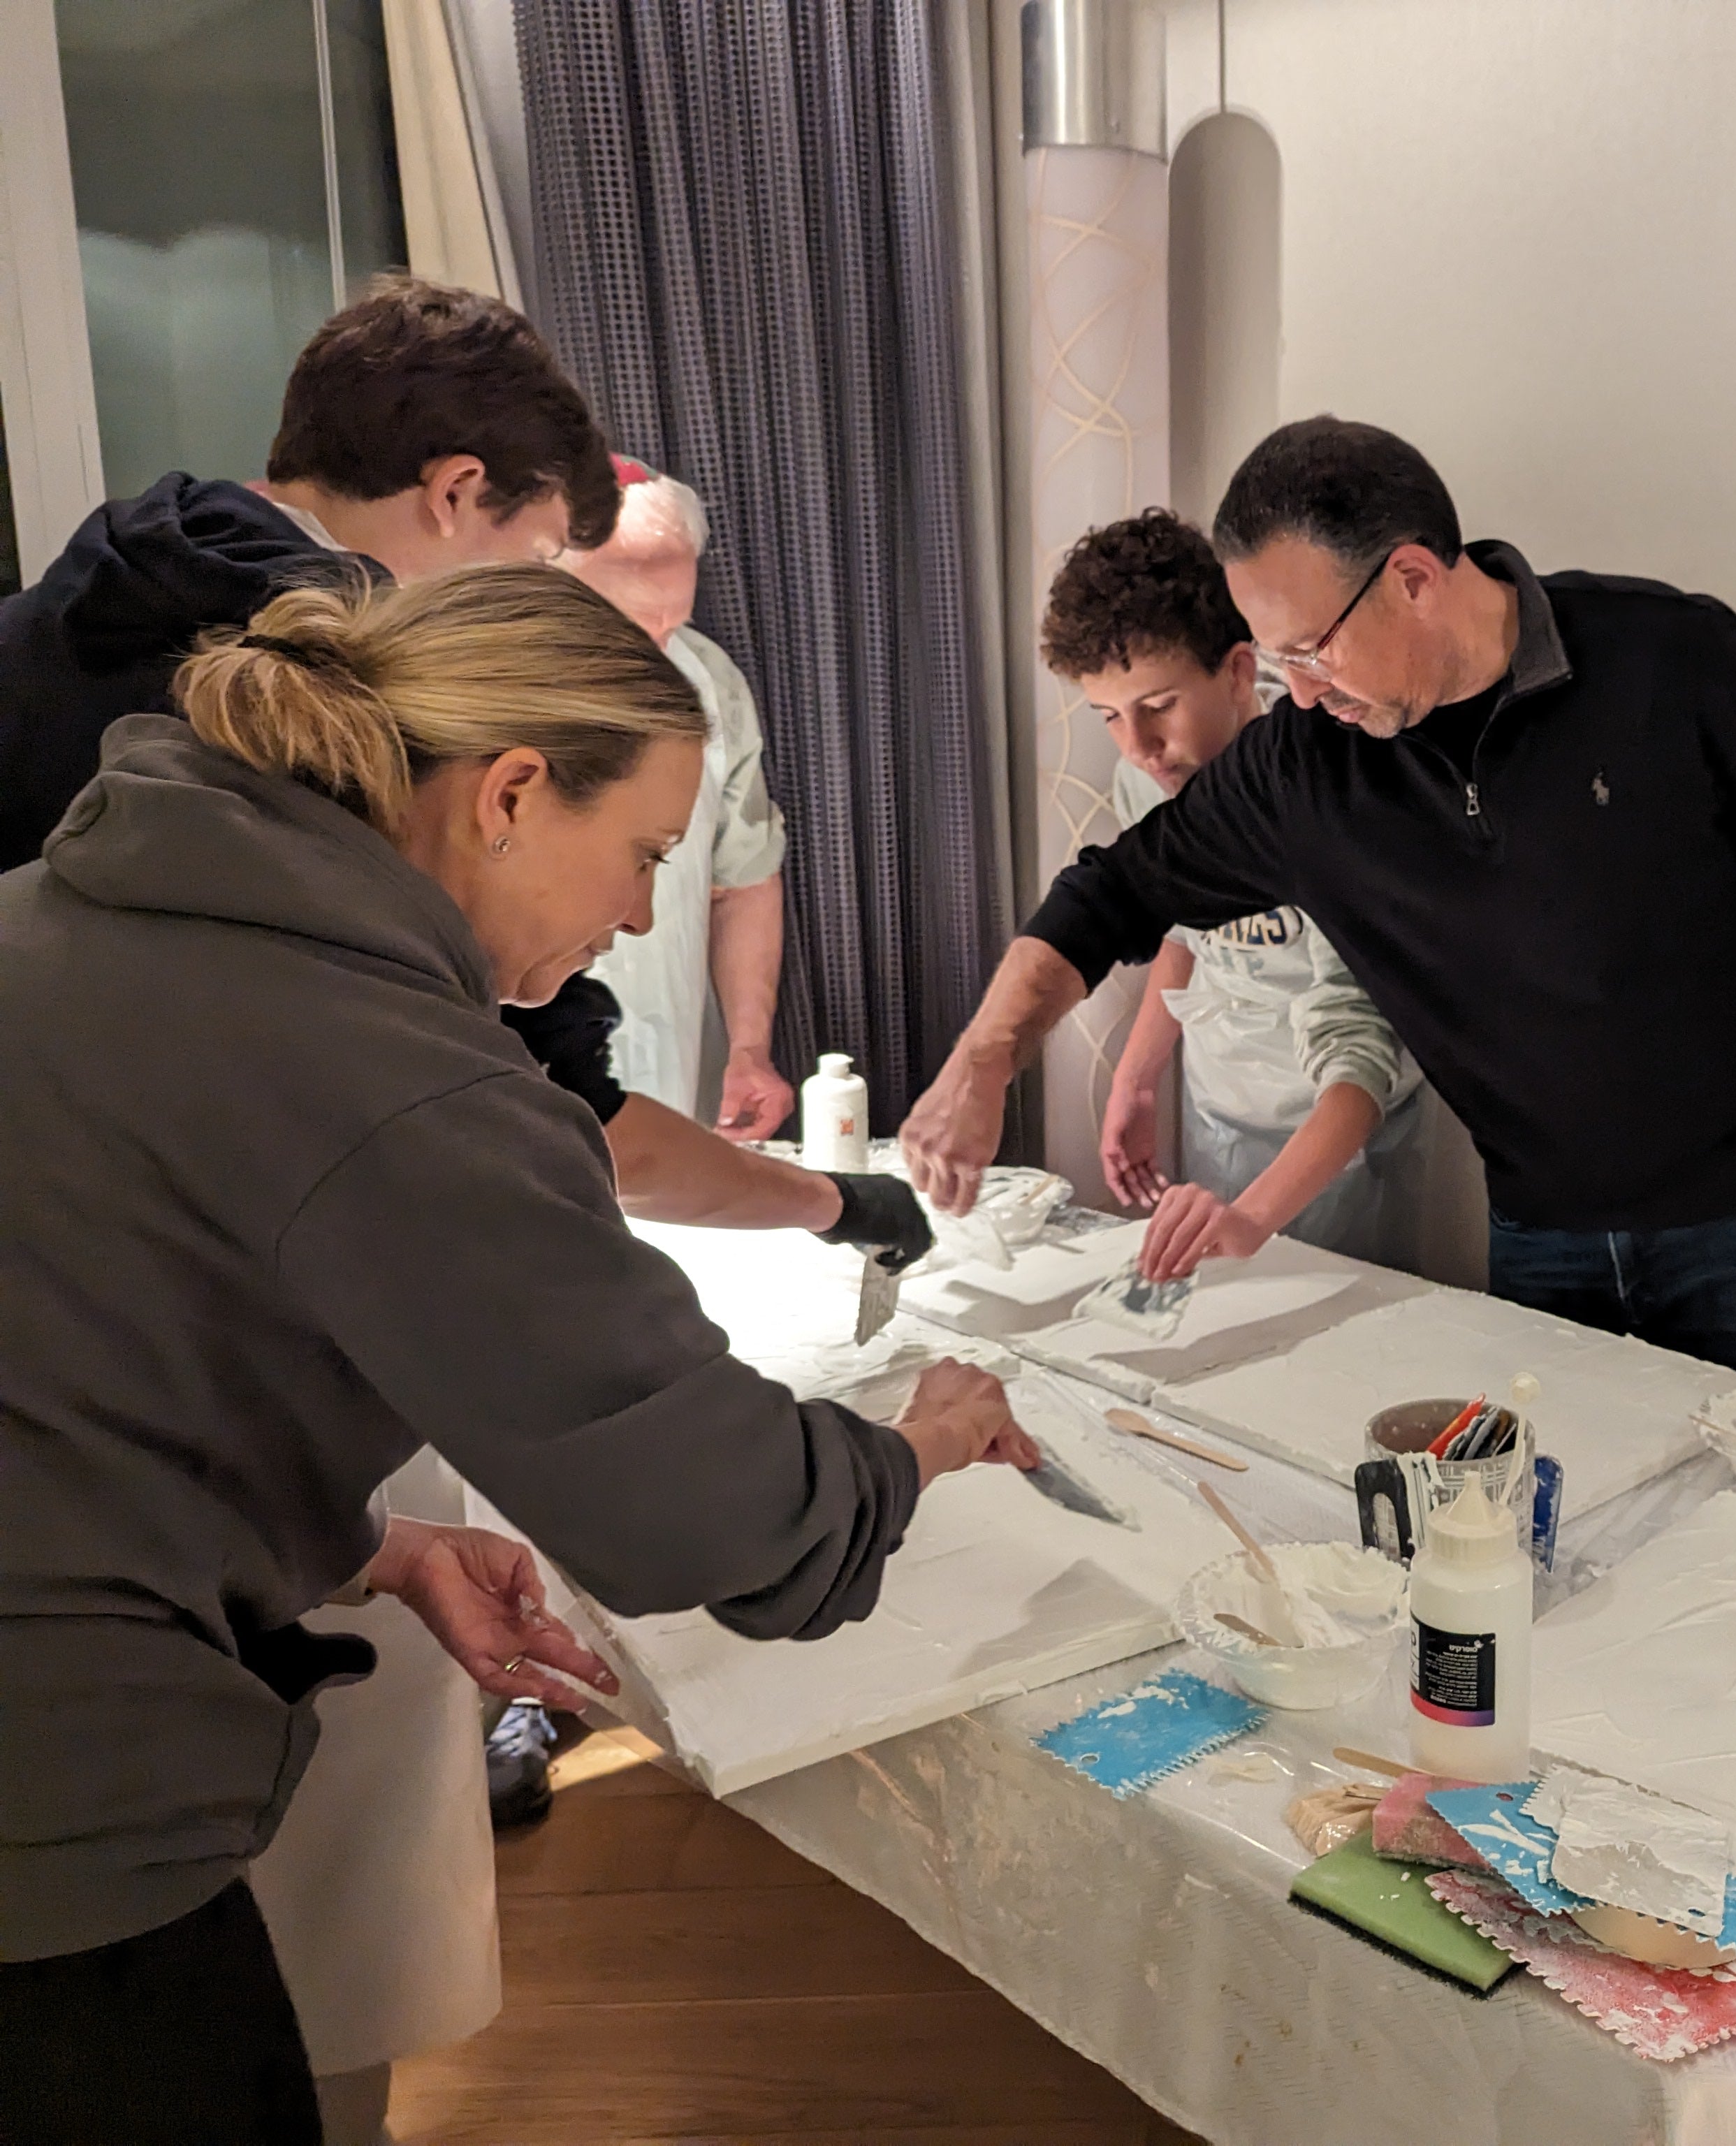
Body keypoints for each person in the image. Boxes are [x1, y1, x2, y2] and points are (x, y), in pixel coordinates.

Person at [0, 564, 1033, 2145]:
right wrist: (921, 1436)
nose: (640, 915)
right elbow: (724, 1517)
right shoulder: (390, 1062)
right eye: (643, 856)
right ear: (509, 793)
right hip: (49, 1803)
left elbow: (95, 1355)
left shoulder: (78, 905)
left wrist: (373, 1544)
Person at [905, 418, 1736, 1399]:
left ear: (1415, 579)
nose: (1302, 690)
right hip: (1542, 1238)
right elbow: (1112, 891)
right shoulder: (1308, 767)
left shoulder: (1667, 661)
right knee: (1558, 1527)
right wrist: (983, 1062)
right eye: (1278, 658)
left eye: (1311, 650)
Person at [0, 274, 927, 1276]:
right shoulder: (357, 711)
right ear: (453, 493)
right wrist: (831, 1201)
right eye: (537, 564)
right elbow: (567, 1108)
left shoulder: (75, 605)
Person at [1045, 509, 1425, 1280]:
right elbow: (1187, 928)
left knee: (1329, 1328)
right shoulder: (1148, 778)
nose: (1138, 749)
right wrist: (1137, 1080)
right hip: (1222, 1103)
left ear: (1240, 671)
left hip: (1340, 1127)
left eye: (1159, 708)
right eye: (1111, 716)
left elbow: (1360, 1048)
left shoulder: (1331, 783)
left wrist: (1253, 1216)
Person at [566, 457, 798, 1141]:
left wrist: (749, 1048)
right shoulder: (488, 694)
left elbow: (744, 879)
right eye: (639, 626)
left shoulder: (709, 681)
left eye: (674, 623)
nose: (660, 654)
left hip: (677, 1044)